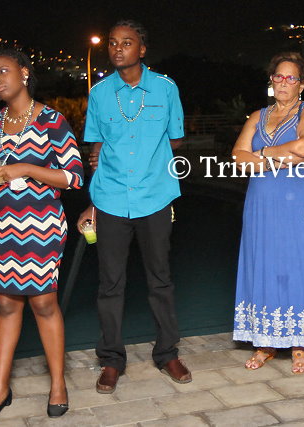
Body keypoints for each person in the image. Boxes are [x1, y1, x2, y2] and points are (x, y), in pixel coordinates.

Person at [76, 20, 190, 393]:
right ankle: (111, 360)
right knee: (110, 283)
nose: (118, 48)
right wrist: (93, 202)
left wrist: (146, 159)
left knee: (160, 279)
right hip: (110, 198)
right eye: (112, 43)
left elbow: (175, 140)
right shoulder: (99, 93)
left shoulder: (166, 88)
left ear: (142, 49)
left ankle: (167, 353)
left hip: (155, 196)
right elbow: (95, 145)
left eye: (127, 42)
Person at [0, 49, 84, 420]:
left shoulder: (52, 120)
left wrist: (24, 168)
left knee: (43, 304)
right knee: (6, 304)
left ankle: (58, 385)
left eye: (3, 71)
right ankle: (0, 388)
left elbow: (73, 177)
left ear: (24, 73)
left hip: (41, 225)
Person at [232, 52, 304, 374]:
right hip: (262, 205)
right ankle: (266, 342)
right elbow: (238, 158)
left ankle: (301, 344)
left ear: (302, 84)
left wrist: (263, 153)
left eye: (291, 77)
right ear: (271, 81)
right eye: (278, 76)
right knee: (266, 265)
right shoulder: (258, 115)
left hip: (300, 205)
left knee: (300, 265)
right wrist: (285, 156)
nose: (284, 82)